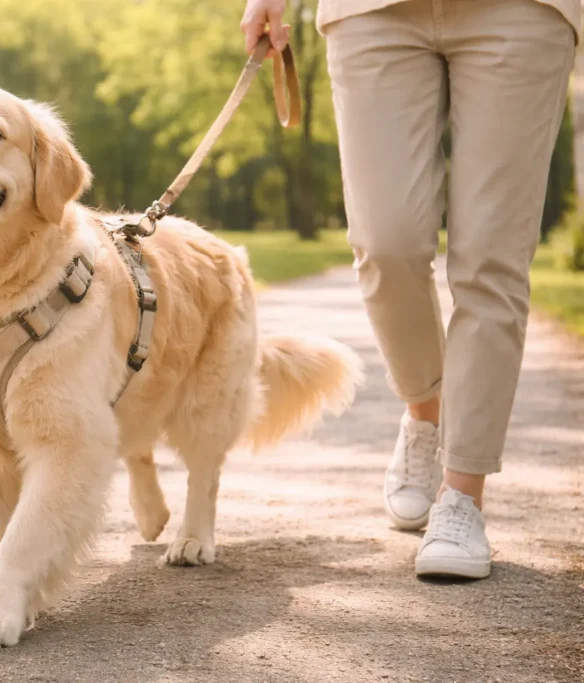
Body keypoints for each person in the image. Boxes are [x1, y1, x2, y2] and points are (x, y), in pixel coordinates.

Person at [241, 0, 580, 579]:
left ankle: (462, 497)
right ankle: (426, 415)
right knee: (385, 243)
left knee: (491, 259)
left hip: (521, 11)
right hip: (371, 11)